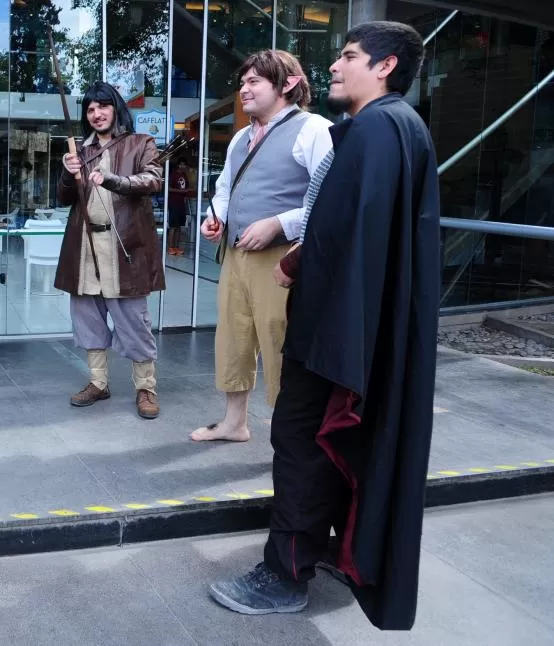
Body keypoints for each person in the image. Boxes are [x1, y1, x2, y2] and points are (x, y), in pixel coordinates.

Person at [208, 22, 440, 630]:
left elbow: (346, 234)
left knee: (301, 442)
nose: (334, 67)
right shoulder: (395, 129)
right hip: (353, 328)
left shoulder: (373, 130)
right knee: (328, 445)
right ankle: (334, 551)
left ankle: (284, 575)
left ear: (385, 66)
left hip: (332, 333)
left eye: (348, 56)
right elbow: (354, 229)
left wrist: (300, 269)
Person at [191, 49, 333, 443]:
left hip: (282, 258)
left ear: (287, 84)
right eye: (242, 83)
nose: (243, 91)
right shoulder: (240, 136)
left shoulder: (314, 129)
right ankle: (235, 423)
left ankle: (293, 430)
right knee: (233, 338)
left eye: (254, 82)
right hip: (235, 255)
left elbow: (330, 200)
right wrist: (214, 215)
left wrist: (278, 223)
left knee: (279, 341)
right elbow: (225, 187)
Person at [55, 81, 164, 419]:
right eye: (90, 109)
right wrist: (66, 172)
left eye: (102, 106)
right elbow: (64, 199)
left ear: (116, 107)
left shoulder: (140, 142)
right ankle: (98, 383)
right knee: (88, 318)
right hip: (85, 247)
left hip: (125, 247)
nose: (96, 114)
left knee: (134, 321)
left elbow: (153, 180)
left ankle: (146, 388)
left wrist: (113, 179)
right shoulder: (80, 151)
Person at [166, 158, 192, 256]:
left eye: (184, 165)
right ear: (178, 165)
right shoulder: (173, 175)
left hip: (182, 204)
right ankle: (170, 248)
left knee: (179, 226)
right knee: (173, 226)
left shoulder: (184, 176)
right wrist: (179, 191)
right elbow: (168, 188)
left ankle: (176, 247)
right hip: (174, 203)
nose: (183, 166)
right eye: (181, 164)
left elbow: (186, 188)